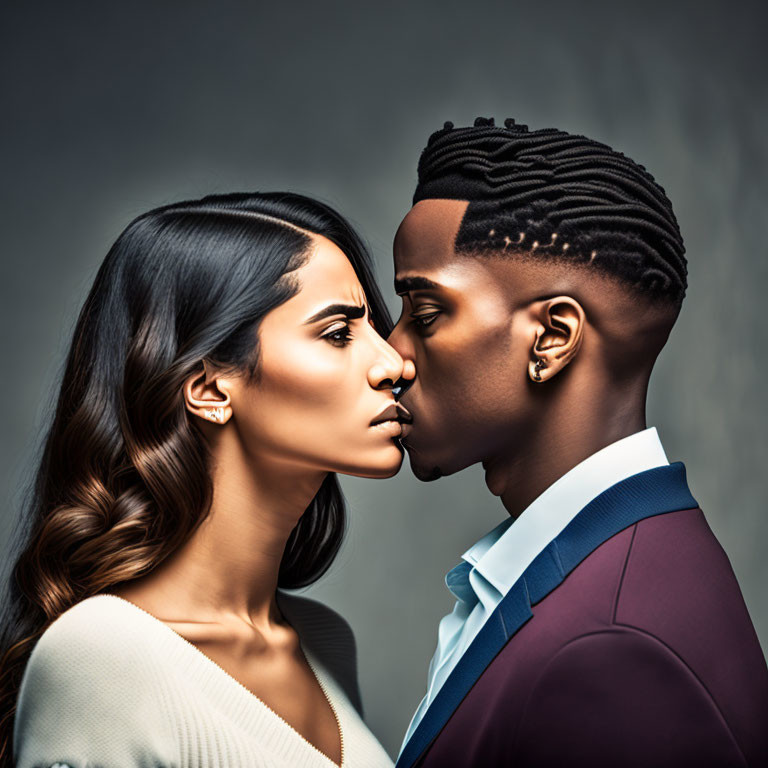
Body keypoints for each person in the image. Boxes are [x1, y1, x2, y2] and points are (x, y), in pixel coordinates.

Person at [388, 118, 768, 767]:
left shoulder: (614, 647)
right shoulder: (600, 570)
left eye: (424, 315)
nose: (392, 355)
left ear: (553, 338)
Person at [1, 192, 412, 767]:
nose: (394, 363)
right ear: (210, 389)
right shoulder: (98, 656)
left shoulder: (323, 641)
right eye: (338, 333)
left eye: (374, 327)